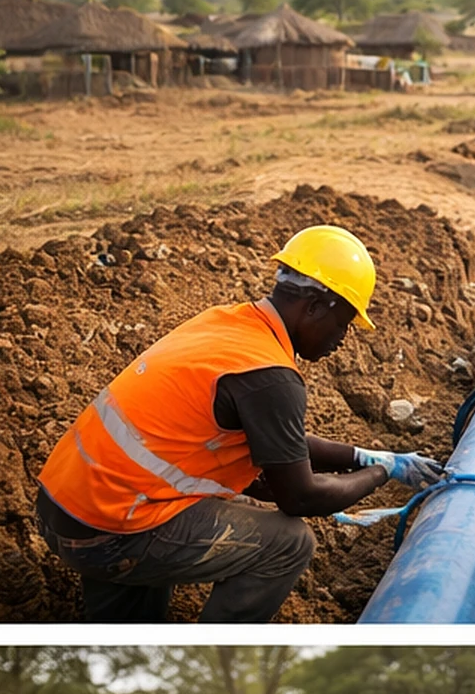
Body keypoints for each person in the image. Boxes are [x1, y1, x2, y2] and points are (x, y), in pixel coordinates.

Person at [32, 225, 442, 623]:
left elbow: (284, 442)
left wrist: (364, 455)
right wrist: (381, 472)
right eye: (344, 323)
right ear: (317, 306)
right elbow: (300, 499)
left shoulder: (227, 325)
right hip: (108, 534)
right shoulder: (270, 377)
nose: (343, 339)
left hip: (65, 507)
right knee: (289, 543)